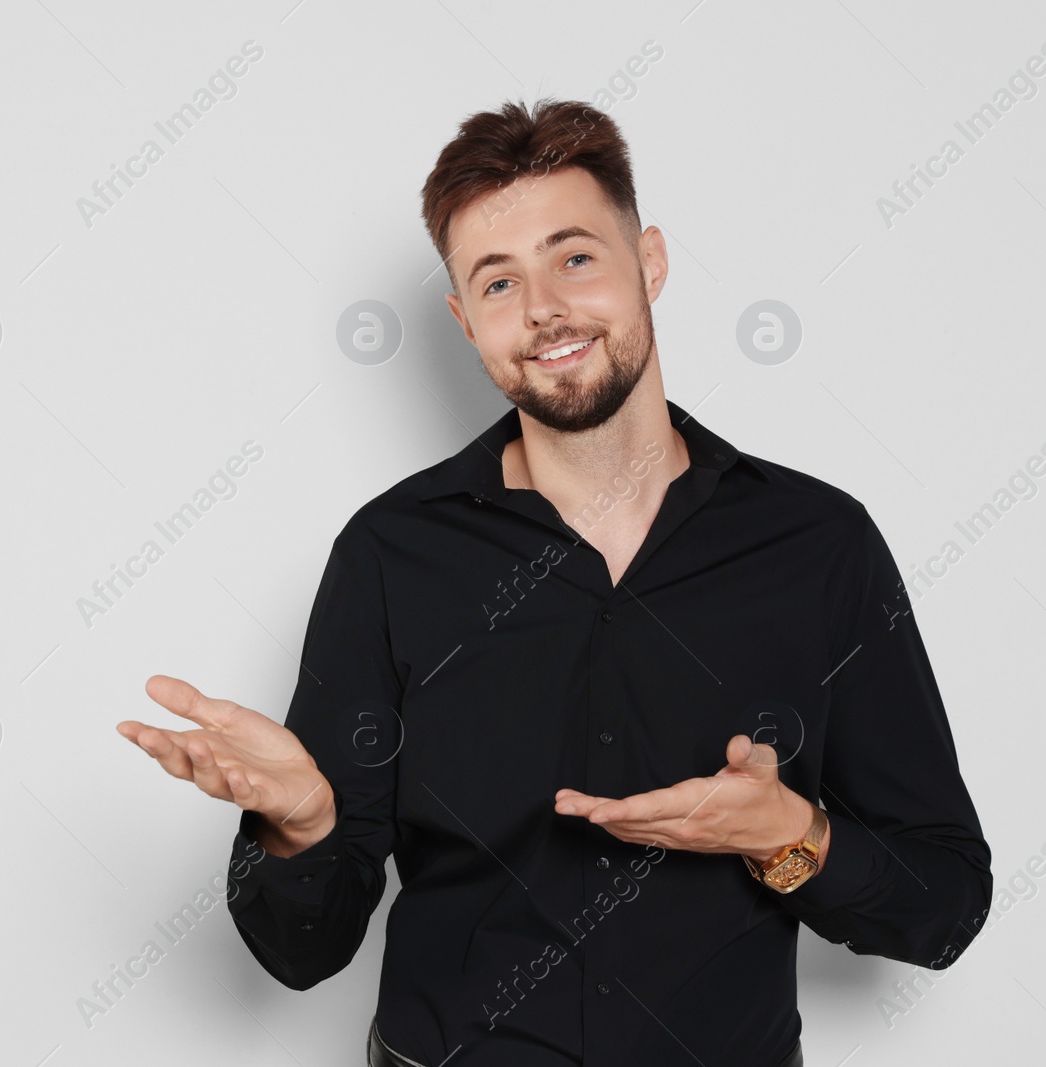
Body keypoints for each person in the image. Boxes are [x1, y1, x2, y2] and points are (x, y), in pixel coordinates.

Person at [117, 98, 992, 1067]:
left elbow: (941, 909)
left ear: (649, 261)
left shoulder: (817, 544)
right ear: (464, 320)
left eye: (575, 257)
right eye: (497, 282)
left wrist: (788, 835)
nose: (541, 308)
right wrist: (305, 826)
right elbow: (299, 952)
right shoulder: (390, 554)